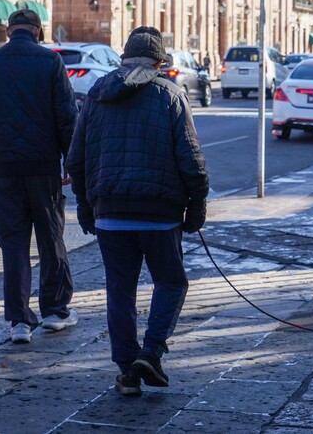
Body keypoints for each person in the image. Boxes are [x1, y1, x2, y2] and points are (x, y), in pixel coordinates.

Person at [65, 26, 209, 397]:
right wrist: (197, 205)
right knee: (171, 281)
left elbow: (76, 160)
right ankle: (152, 351)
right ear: (160, 62)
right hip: (160, 214)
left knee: (120, 290)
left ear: (123, 59)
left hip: (110, 211)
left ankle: (128, 370)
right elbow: (191, 160)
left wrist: (85, 205)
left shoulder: (96, 96)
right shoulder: (171, 95)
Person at [0, 9, 79, 344]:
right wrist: (70, 160)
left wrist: (0, 129)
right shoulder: (50, 62)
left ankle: (19, 321)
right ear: (38, 32)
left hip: (4, 167)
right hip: (43, 166)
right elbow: (67, 117)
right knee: (51, 238)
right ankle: (56, 311)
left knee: (13, 243)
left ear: (8, 31)